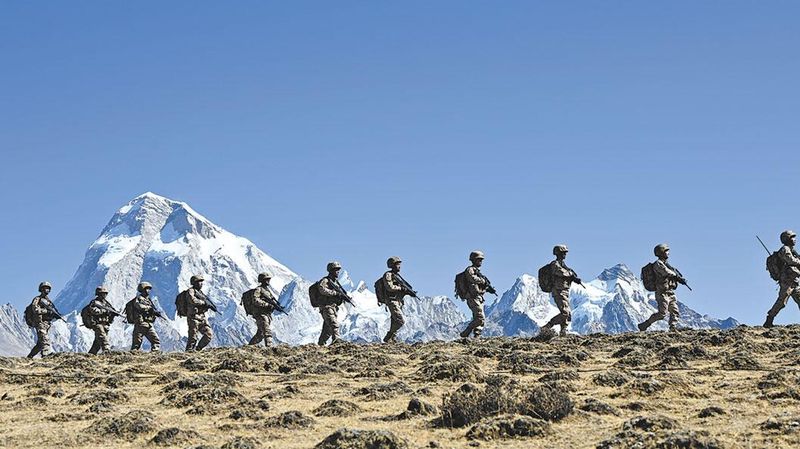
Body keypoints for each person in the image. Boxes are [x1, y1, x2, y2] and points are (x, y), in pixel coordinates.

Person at [638, 244, 689, 332]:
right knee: (662, 314)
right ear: (661, 253)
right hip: (662, 293)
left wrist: (679, 278)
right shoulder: (658, 264)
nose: (668, 253)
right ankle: (645, 324)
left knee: (675, 311)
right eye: (666, 251)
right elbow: (666, 272)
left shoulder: (667, 265)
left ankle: (673, 327)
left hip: (670, 292)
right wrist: (676, 276)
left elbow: (672, 273)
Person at [540, 245, 582, 337]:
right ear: (558, 253)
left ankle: (563, 332)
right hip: (558, 291)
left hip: (564, 291)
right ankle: (547, 326)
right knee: (565, 313)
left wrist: (573, 277)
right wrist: (571, 275)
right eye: (563, 253)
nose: (565, 254)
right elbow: (560, 272)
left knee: (567, 313)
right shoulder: (555, 264)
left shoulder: (563, 265)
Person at [764, 230, 800, 328]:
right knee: (782, 302)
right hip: (787, 280)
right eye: (792, 237)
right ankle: (769, 319)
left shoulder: (792, 250)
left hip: (793, 280)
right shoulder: (785, 249)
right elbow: (790, 260)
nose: (794, 240)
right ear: (786, 239)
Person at [459, 251, 495, 338]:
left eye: (481, 260)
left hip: (478, 297)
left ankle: (477, 335)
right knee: (480, 317)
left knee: (480, 318)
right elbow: (472, 279)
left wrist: (487, 288)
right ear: (473, 260)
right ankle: (465, 333)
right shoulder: (470, 270)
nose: (480, 262)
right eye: (479, 260)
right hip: (472, 297)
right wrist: (482, 281)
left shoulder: (477, 272)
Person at [316, 261, 348, 345]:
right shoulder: (325, 280)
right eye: (335, 269)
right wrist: (334, 293)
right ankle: (336, 342)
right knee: (334, 324)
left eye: (338, 270)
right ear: (330, 270)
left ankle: (320, 345)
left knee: (327, 330)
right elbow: (321, 289)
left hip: (333, 307)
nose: (337, 271)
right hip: (326, 307)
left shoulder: (336, 282)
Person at [381, 256, 409, 343]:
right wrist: (400, 288)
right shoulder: (388, 275)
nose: (399, 266)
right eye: (397, 264)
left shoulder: (397, 276)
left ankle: (392, 339)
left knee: (394, 321)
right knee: (400, 321)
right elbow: (389, 287)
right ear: (392, 265)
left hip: (398, 301)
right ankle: (389, 336)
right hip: (392, 301)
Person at [247, 272, 279, 346]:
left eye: (269, 279)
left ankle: (249, 346)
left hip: (266, 314)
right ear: (262, 280)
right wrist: (267, 305)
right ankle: (269, 348)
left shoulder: (267, 291)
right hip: (260, 314)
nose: (268, 281)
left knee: (260, 335)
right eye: (266, 279)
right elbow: (255, 300)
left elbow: (272, 301)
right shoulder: (258, 290)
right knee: (266, 331)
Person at [86, 286, 120, 354]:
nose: (104, 295)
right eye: (103, 293)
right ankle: (107, 350)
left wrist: (113, 313)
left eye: (105, 293)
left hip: (105, 324)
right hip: (97, 323)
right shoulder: (94, 302)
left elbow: (111, 310)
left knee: (98, 342)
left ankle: (91, 354)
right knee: (102, 337)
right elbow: (94, 311)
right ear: (99, 294)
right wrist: (104, 311)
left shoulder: (107, 303)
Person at [183, 275, 213, 351]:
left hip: (202, 317)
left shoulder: (201, 293)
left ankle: (198, 349)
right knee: (193, 338)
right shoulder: (191, 291)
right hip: (193, 317)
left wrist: (208, 306)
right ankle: (188, 353)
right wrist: (203, 303)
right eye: (199, 282)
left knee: (208, 334)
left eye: (201, 282)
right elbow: (192, 300)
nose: (201, 283)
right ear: (194, 283)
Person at [27, 282, 57, 358]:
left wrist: (53, 315)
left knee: (40, 344)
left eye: (48, 288)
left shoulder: (49, 301)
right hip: (40, 323)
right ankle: (45, 355)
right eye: (45, 288)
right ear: (42, 289)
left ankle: (30, 357)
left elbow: (52, 312)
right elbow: (35, 309)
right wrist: (46, 311)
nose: (47, 290)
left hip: (46, 324)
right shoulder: (37, 299)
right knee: (45, 339)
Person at [129, 282, 161, 352]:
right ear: (142, 289)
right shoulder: (138, 298)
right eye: (147, 289)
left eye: (149, 289)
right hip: (140, 323)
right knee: (136, 344)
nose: (148, 290)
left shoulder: (148, 300)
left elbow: (151, 309)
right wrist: (149, 308)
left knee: (156, 340)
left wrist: (155, 313)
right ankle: (132, 359)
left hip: (148, 324)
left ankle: (155, 356)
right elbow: (139, 306)